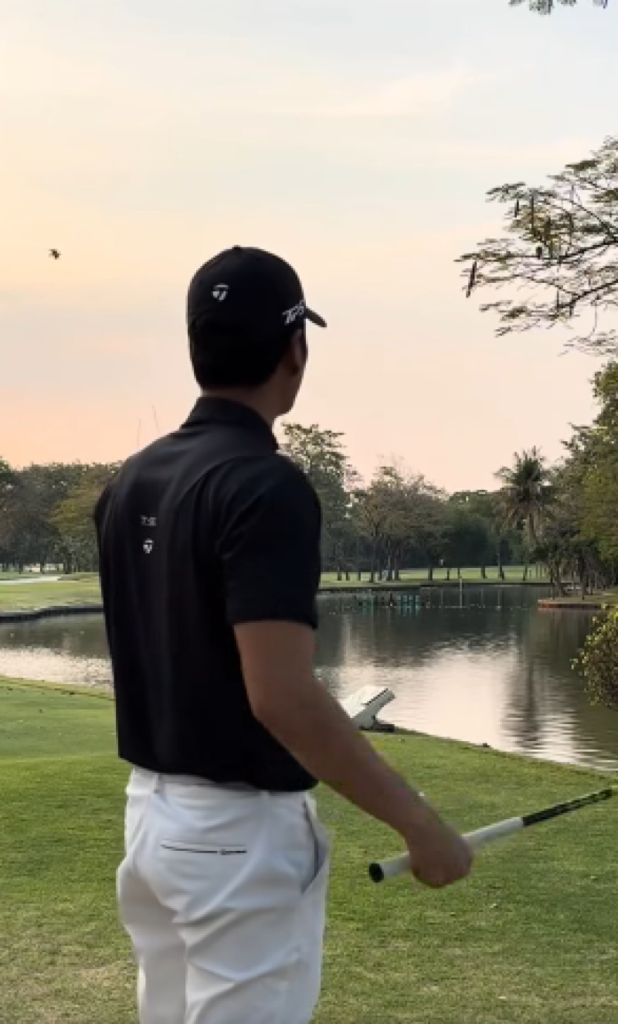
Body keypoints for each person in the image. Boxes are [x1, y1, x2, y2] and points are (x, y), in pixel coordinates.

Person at [94, 246, 472, 1024]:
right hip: (235, 840)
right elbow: (283, 698)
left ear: (196, 349)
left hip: (152, 823)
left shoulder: (131, 479)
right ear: (295, 350)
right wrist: (419, 822)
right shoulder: (266, 486)